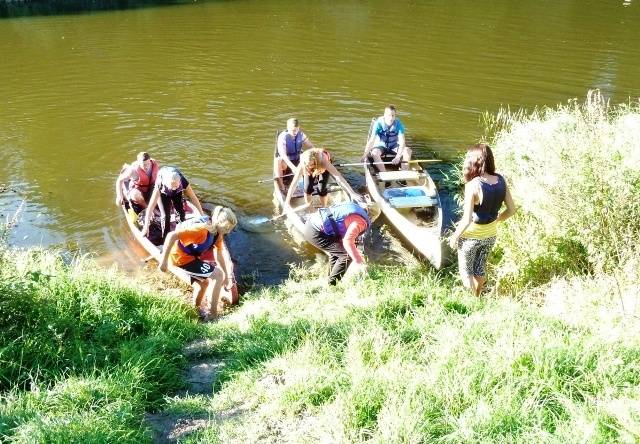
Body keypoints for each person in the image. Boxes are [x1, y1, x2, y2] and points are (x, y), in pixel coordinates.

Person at [449, 143, 516, 296]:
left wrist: (454, 237)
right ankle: (478, 297)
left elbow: (466, 220)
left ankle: (473, 301)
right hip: (490, 235)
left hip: (470, 237)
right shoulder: (501, 180)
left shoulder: (473, 185)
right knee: (479, 269)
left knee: (466, 274)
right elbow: (512, 210)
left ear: (474, 161)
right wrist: (497, 220)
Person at [158, 206, 237, 320]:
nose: (228, 231)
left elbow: (219, 254)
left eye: (230, 228)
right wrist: (163, 261)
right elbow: (172, 236)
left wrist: (226, 275)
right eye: (226, 228)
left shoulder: (218, 233)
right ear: (218, 223)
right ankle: (212, 315)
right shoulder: (201, 230)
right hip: (180, 258)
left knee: (203, 284)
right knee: (217, 275)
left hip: (192, 257)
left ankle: (195, 310)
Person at [303, 200, 381, 285]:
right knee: (346, 255)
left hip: (311, 224)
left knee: (337, 253)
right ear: (372, 216)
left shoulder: (354, 208)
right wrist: (359, 261)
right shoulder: (361, 222)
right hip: (315, 231)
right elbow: (347, 241)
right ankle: (332, 286)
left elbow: (341, 226)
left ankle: (330, 279)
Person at [283, 148, 362, 209]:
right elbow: (294, 183)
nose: (308, 166)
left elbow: (339, 178)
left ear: (315, 162)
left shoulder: (324, 162)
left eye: (310, 165)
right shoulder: (304, 164)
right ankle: (310, 207)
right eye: (306, 165)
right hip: (313, 166)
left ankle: (324, 207)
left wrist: (352, 193)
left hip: (321, 168)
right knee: (307, 188)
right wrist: (287, 202)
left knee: (321, 189)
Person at [141, 166, 204, 240]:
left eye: (176, 186)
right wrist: (146, 227)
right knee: (165, 216)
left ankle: (181, 234)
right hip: (164, 194)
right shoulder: (160, 184)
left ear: (179, 182)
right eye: (172, 186)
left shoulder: (183, 181)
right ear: (166, 183)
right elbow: (150, 207)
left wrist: (202, 215)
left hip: (177, 193)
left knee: (181, 213)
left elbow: (194, 198)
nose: (174, 188)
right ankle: (166, 239)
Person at [362, 105, 412, 172]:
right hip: (381, 146)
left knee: (407, 151)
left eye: (393, 115)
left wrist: (397, 157)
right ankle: (384, 172)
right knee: (374, 153)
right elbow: (371, 141)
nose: (391, 118)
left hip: (394, 146)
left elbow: (402, 142)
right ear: (384, 115)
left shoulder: (399, 125)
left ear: (395, 116)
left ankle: (404, 173)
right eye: (389, 115)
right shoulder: (378, 124)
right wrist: (364, 155)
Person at [274, 117, 315, 193]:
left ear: (298, 128)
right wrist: (293, 168)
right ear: (288, 128)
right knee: (277, 161)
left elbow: (311, 147)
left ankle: (310, 181)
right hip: (286, 161)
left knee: (310, 155)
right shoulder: (282, 137)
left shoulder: (301, 134)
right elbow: (283, 156)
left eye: (296, 130)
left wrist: (317, 155)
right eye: (292, 130)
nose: (295, 133)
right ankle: (282, 187)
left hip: (297, 159)